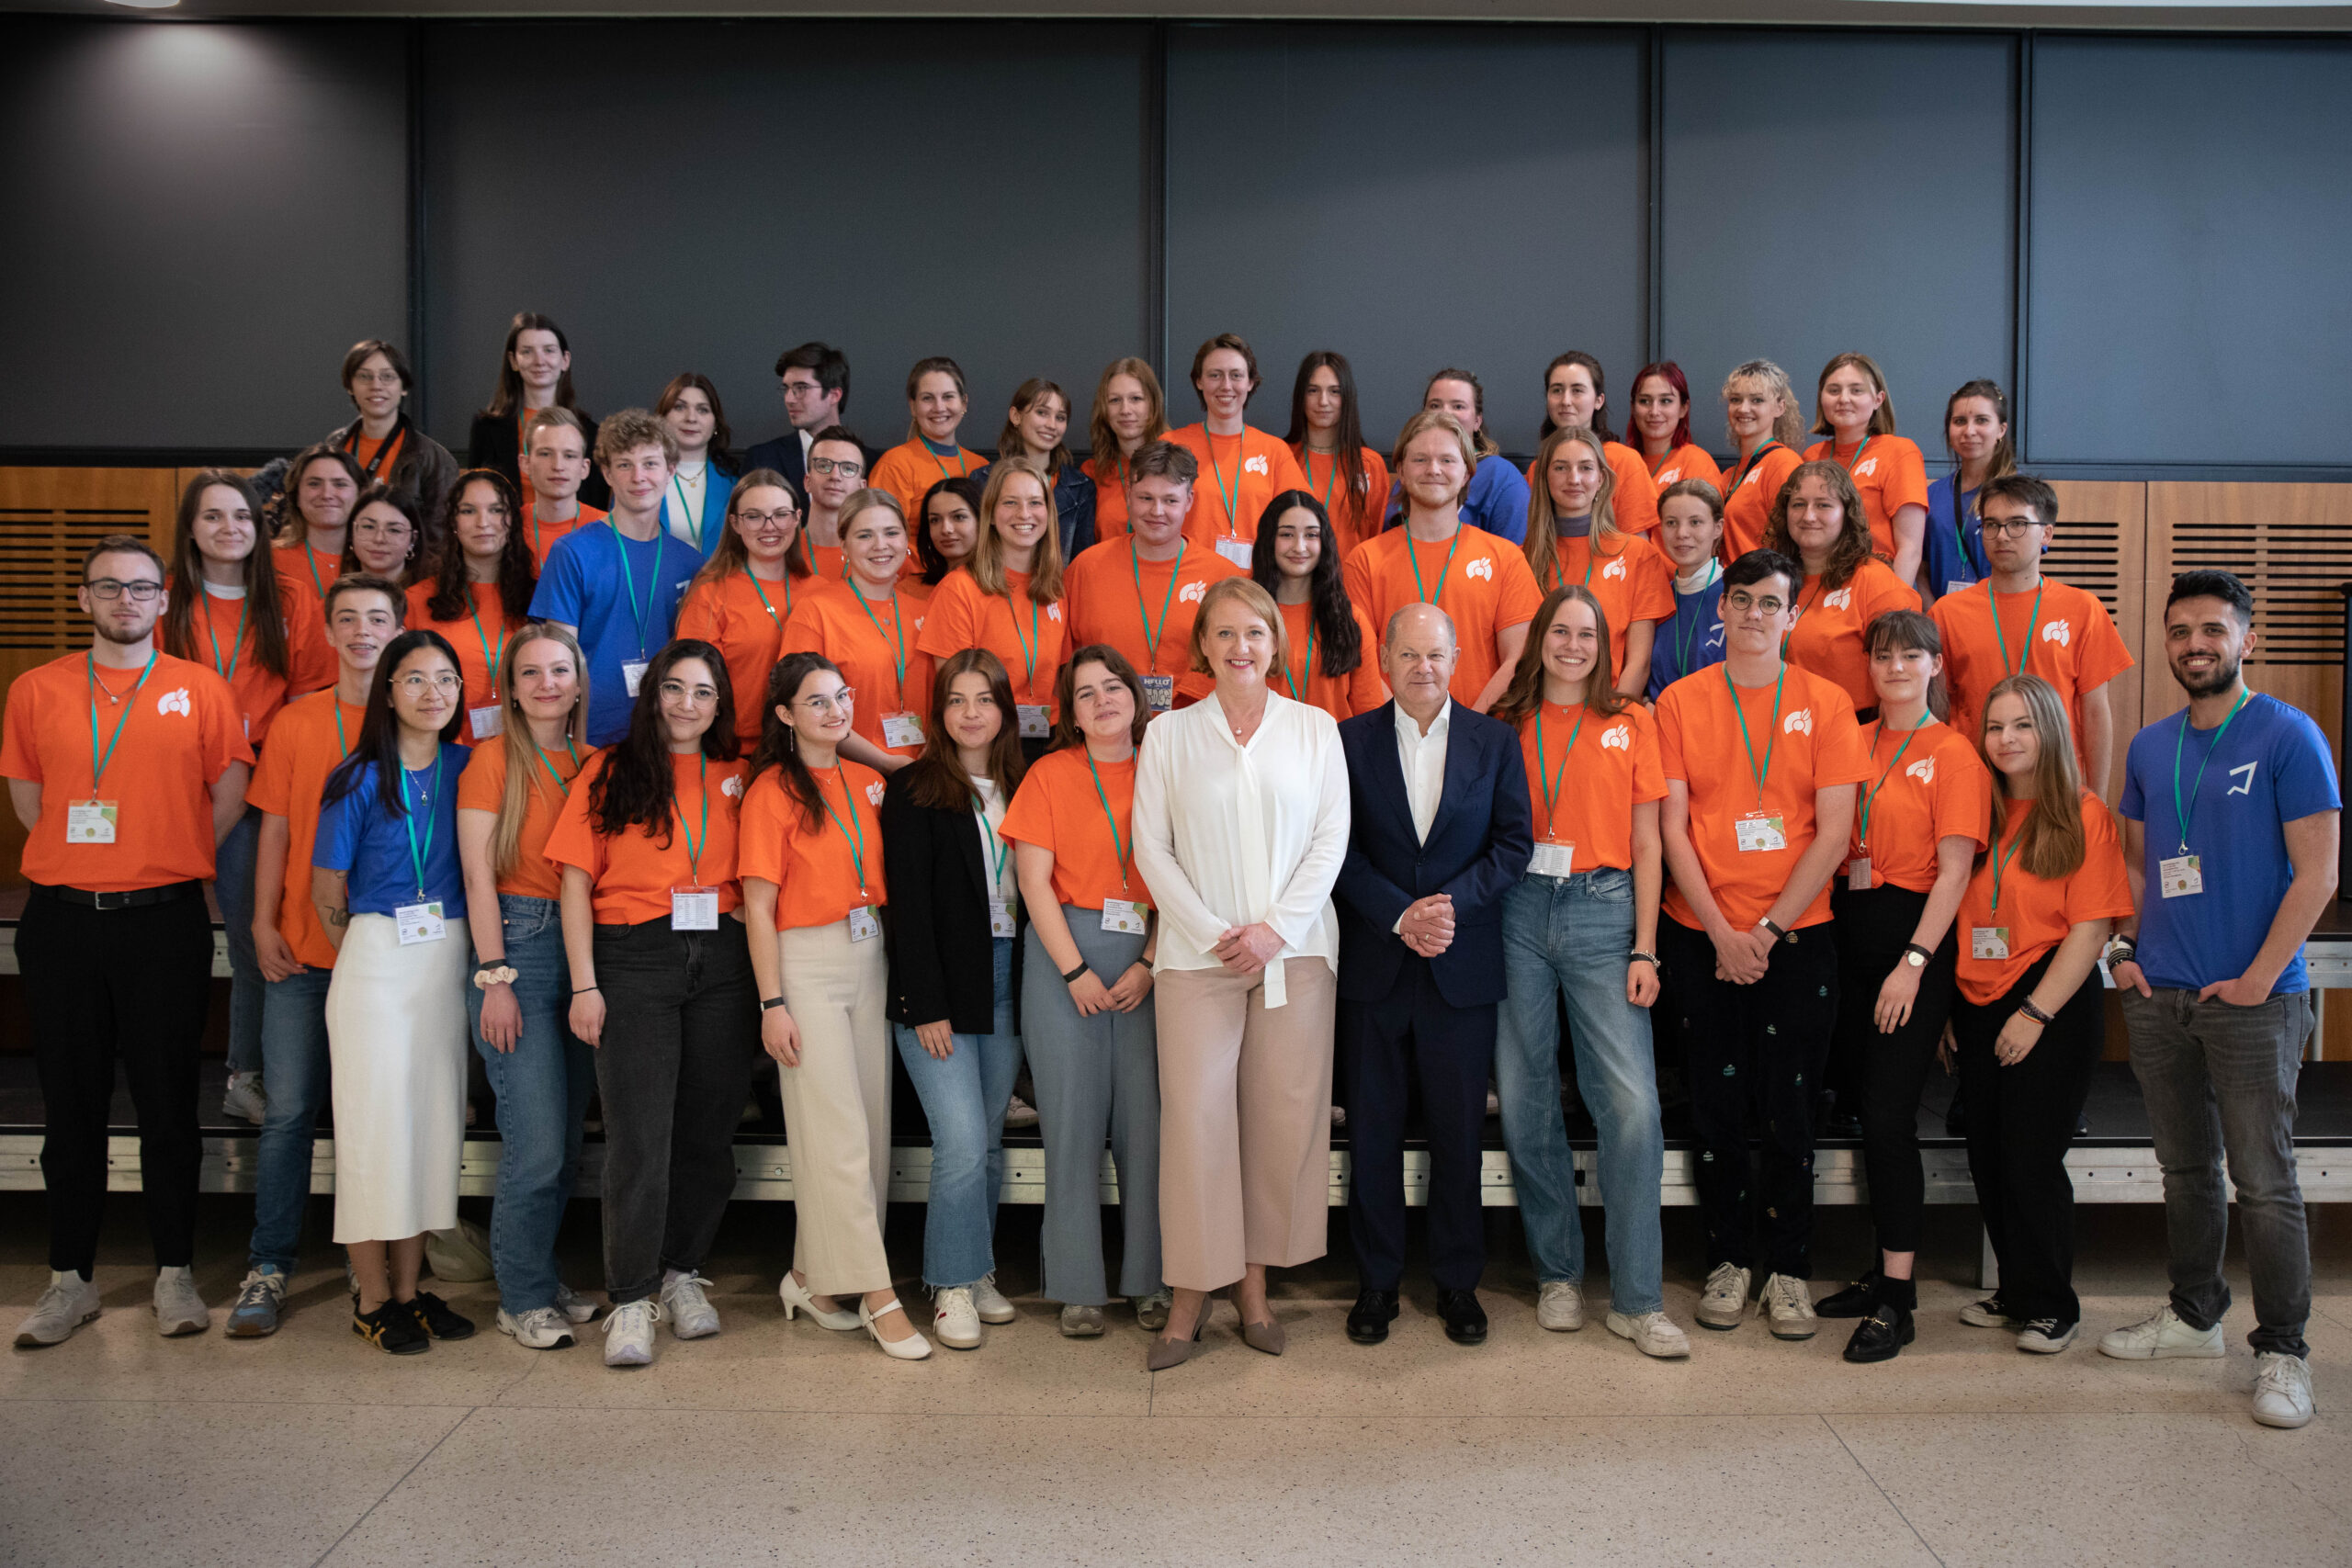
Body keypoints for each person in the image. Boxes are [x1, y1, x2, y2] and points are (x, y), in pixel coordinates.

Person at [2103, 570, 2339, 1429]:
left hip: (2254, 998)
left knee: (2265, 1180)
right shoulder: (2148, 744)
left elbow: (2318, 874)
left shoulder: (2288, 735)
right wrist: (2127, 953)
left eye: (2212, 629)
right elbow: (2135, 863)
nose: (2195, 644)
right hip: (2162, 993)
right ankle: (2196, 1315)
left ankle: (2282, 1350)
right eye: (2179, 631)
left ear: (2247, 638)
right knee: (2186, 1171)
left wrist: (2256, 977)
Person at [6, 536, 251, 1349]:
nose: (125, 601)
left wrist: (164, 853)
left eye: (141, 589)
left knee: (166, 1103)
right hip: (65, 920)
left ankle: (174, 1270)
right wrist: (89, 863)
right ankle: (68, 1278)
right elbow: (29, 797)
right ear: (84, 599)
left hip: (164, 918)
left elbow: (228, 790)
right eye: (108, 588)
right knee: (69, 1106)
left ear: (162, 600)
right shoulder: (36, 689)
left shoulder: (199, 688)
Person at [1130, 579, 1349, 1369]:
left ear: (1274, 641)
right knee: (1195, 1123)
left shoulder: (1315, 729)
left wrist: (1275, 931)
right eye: (1223, 633)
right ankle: (1192, 1292)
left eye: (1254, 631)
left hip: (1295, 957)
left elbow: (1331, 840)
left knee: (1279, 1122)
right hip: (1198, 959)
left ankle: (1253, 1286)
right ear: (1203, 646)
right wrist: (1216, 932)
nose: (1240, 646)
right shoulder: (1169, 736)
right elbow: (1152, 849)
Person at [1654, 547, 1870, 1341]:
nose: (1752, 614)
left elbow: (1836, 828)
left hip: (1797, 939)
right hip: (1700, 937)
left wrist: (1768, 930)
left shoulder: (1828, 702)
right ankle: (1727, 1260)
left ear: (1792, 614)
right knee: (1714, 1108)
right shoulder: (1679, 701)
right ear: (1722, 609)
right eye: (1739, 600)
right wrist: (1720, 930)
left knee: (1790, 1113)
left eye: (1768, 603)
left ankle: (1788, 1270)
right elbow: (1671, 825)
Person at [546, 640, 762, 1368]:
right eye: (674, 689)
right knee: (640, 1137)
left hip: (722, 965)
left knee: (706, 1134)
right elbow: (574, 881)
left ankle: (679, 1273)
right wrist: (584, 982)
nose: (687, 705)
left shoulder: (738, 774)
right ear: (653, 695)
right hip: (633, 957)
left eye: (704, 693)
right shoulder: (610, 770)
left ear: (720, 704)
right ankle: (631, 1295)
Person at [1489, 585, 1689, 1359]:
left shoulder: (1631, 720)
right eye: (1560, 631)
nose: (1573, 645)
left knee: (1631, 1103)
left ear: (1606, 645)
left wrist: (1646, 947)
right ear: (1539, 638)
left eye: (1587, 634)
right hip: (1515, 908)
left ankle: (1638, 1299)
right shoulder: (1506, 721)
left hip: (1606, 908)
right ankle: (1558, 1274)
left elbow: (1649, 844)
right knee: (1527, 1092)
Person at [1331, 604, 1531, 1348]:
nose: (1424, 668)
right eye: (1409, 654)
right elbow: (1335, 851)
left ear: (1457, 660)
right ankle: (1377, 1282)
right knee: (1373, 1135)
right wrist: (1398, 914)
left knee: (1457, 1135)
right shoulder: (1347, 742)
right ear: (1384, 660)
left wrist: (1443, 909)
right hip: (1376, 967)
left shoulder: (1494, 742)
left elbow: (1514, 845)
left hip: (1460, 965)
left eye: (1437, 655)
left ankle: (1457, 1282)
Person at [224, 573, 403, 1337]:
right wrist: (261, 921)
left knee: (391, 1113)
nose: (362, 630)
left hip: (393, 959)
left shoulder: (422, 719)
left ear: (399, 629)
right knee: (292, 1111)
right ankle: (269, 1263)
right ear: (328, 634)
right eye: (348, 619)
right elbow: (273, 831)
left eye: (378, 618)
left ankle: (402, 1268)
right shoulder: (298, 721)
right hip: (302, 953)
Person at [738, 653, 933, 1360]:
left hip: (867, 953)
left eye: (841, 698)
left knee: (869, 1132)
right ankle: (878, 1295)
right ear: (785, 714)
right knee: (837, 1133)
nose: (834, 712)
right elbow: (757, 907)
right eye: (815, 702)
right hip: (805, 963)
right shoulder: (769, 791)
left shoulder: (866, 781)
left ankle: (812, 1280)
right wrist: (773, 1001)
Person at [1808, 611, 1990, 1363]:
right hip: (1846, 937)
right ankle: (1879, 1267)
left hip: (1908, 947)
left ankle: (1899, 1298)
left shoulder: (1954, 753)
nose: (1895, 667)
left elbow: (1955, 870)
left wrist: (1915, 963)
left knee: (1888, 1119)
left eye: (1911, 655)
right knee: (1860, 1114)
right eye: (1883, 655)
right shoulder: (1854, 737)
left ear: (1935, 665)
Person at [1949, 673, 2133, 1356]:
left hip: (2047, 998)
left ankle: (2054, 1303)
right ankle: (2016, 1289)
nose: (2006, 739)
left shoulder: (2082, 814)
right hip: (1976, 997)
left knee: (2030, 1159)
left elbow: (2090, 930)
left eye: (2022, 724)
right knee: (1989, 1158)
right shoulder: (1980, 811)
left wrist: (2033, 1012)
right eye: (1995, 727)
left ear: (2050, 730)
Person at [311, 627, 476, 1355]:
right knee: (377, 1130)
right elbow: (326, 893)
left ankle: (411, 1291)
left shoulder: (471, 768)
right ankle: (372, 1296)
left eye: (445, 678)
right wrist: (372, 956)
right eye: (414, 678)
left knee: (433, 1127)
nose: (432, 692)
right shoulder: (355, 777)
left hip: (448, 958)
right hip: (377, 957)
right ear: (387, 691)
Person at [1001, 646, 1168, 1336]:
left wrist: (1150, 963)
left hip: (1148, 958)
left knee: (1147, 1127)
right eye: (1085, 693)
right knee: (1070, 1125)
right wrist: (1074, 970)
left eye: (1112, 686)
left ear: (1135, 694)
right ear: (1070, 713)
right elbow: (1032, 882)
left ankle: (1151, 1280)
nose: (1102, 700)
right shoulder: (1048, 774)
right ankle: (1076, 1284)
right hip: (1063, 954)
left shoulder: (1167, 770)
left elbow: (1189, 873)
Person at [160, 471, 330, 1125]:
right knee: (209, 932)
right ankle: (226, 1071)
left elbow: (309, 694)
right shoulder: (167, 599)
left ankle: (248, 1072)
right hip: (181, 777)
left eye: (241, 515)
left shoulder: (287, 595)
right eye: (212, 516)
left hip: (263, 783)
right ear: (191, 529)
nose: (229, 527)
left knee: (260, 927)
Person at [456, 622, 601, 1349]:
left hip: (583, 950)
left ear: (579, 680)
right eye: (531, 673)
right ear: (510, 688)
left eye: (559, 670)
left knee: (566, 1137)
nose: (547, 684)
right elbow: (479, 877)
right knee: (535, 1142)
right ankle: (520, 1296)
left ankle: (537, 1274)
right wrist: (494, 979)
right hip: (516, 943)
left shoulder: (594, 761)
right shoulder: (491, 760)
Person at [879, 649, 1029, 1348]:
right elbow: (905, 908)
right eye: (957, 700)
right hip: (938, 985)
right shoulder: (914, 788)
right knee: (962, 1140)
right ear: (937, 713)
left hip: (1008, 978)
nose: (972, 712)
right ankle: (948, 1285)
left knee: (990, 1139)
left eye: (985, 699)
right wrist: (922, 1002)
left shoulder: (1023, 782)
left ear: (1005, 709)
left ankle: (977, 1267)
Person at [1929, 474, 2132, 795]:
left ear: (2046, 533)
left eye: (2017, 524)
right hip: (1976, 785)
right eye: (1992, 525)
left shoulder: (2083, 608)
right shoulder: (1947, 613)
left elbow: (2095, 712)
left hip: (2057, 785)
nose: (2002, 536)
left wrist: (2098, 798)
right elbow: (1938, 713)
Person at [1342, 410, 1542, 712]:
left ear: (1466, 474)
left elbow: (1519, 658)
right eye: (1420, 459)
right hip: (1389, 739)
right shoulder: (1364, 560)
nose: (1433, 469)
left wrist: (1470, 727)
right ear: (1402, 470)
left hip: (1480, 736)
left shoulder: (1506, 558)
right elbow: (1362, 663)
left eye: (1447, 460)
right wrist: (1399, 729)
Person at [530, 409, 701, 746]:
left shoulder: (691, 563)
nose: (639, 477)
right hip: (589, 734)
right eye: (625, 465)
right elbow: (556, 658)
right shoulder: (572, 552)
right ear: (607, 473)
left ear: (671, 471)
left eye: (650, 464)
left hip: (665, 735)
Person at [1064, 440, 1241, 716]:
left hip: (1198, 728)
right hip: (1107, 729)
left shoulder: (1225, 578)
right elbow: (1066, 662)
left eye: (1170, 500)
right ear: (1128, 495)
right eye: (1146, 498)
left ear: (1189, 501)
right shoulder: (1085, 569)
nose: (1156, 511)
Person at [918, 458, 1069, 751]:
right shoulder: (959, 589)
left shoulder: (1055, 589)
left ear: (1048, 513)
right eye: (1010, 502)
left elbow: (1059, 681)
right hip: (986, 744)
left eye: (1035, 502)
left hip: (1049, 738)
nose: (1024, 513)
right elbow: (955, 695)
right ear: (989, 513)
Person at [785, 489, 932, 774]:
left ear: (906, 540)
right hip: (844, 772)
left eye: (891, 533)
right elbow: (805, 709)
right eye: (865, 535)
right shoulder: (815, 612)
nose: (881, 545)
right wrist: (885, 762)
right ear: (843, 545)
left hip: (924, 772)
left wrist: (933, 754)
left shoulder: (925, 611)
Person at [1522, 424, 1673, 694]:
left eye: (1586, 468)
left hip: (1609, 713)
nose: (1574, 478)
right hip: (1537, 717)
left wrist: (1612, 718)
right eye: (1560, 467)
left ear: (1602, 478)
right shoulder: (1521, 559)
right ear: (1544, 477)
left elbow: (1639, 663)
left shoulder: (1638, 555)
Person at [1768, 461, 1923, 715]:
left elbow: (1906, 677)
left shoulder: (1874, 581)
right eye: (1798, 504)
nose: (1808, 516)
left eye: (1823, 505)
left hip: (1856, 729)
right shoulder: (1775, 581)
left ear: (1846, 513)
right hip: (1785, 726)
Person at [677, 468, 815, 754]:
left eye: (781, 514)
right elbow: (693, 684)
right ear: (735, 524)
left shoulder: (821, 590)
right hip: (731, 751)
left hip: (808, 747)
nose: (769, 526)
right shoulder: (710, 592)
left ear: (798, 518)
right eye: (754, 516)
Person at [407, 470, 536, 744]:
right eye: (468, 511)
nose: (483, 522)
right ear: (453, 521)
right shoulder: (417, 600)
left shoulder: (540, 597)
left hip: (524, 751)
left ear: (512, 520)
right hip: (443, 752)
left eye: (496, 509)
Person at [1168, 333, 1308, 567]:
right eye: (1215, 375)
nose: (1226, 386)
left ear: (1250, 382)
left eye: (1236, 375)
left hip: (1257, 586)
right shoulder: (1172, 445)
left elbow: (1301, 520)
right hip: (1187, 581)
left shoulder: (1274, 451)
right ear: (1199, 381)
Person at [1252, 491, 1386, 722]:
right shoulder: (1244, 613)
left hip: (1333, 754)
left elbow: (1369, 716)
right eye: (1287, 534)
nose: (1299, 546)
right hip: (1259, 753)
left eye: (1311, 535)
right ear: (1268, 540)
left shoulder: (1351, 620)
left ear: (1324, 542)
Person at [1804, 353, 1930, 585]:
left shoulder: (1899, 452)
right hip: (1819, 585)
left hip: (1876, 586)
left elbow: (1910, 549)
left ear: (1878, 399)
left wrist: (1893, 607)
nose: (1843, 399)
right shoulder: (1811, 458)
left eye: (1856, 390)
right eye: (1833, 390)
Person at [467, 312, 604, 513]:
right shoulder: (486, 428)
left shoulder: (590, 431)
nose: (539, 361)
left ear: (565, 360)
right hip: (509, 539)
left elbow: (596, 503)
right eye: (527, 351)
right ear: (513, 360)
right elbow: (477, 496)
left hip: (574, 538)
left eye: (549, 350)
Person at [329, 339, 458, 533]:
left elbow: (439, 535)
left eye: (387, 377)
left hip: (406, 561)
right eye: (364, 376)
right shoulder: (334, 447)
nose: (376, 385)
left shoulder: (434, 458)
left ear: (404, 387)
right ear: (350, 386)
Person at [1535, 352, 1659, 538]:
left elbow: (1638, 550)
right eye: (1557, 390)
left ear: (1598, 401)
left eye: (1577, 390)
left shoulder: (1624, 461)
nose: (1565, 401)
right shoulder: (1537, 467)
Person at [1283, 353, 1389, 563]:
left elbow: (1377, 538)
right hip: (1291, 586)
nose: (1323, 401)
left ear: (1347, 398)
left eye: (1334, 391)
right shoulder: (1281, 456)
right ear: (1300, 397)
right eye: (1313, 391)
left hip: (1349, 586)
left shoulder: (1370, 464)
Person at [1922, 379, 2015, 601]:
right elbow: (1920, 566)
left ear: (2001, 429)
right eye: (1960, 421)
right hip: (1938, 622)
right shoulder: (1932, 494)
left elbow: (2023, 571)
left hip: (1995, 619)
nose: (1969, 431)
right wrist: (1930, 613)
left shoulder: (2019, 495)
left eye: (1981, 420)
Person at [984, 378, 1095, 561]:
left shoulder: (1081, 488)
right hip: (996, 586)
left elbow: (1082, 561)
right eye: (1042, 413)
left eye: (1060, 417)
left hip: (1057, 588)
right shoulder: (984, 480)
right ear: (1016, 416)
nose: (1052, 425)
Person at [1418, 368, 1533, 544]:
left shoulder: (1501, 477)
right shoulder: (1412, 470)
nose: (1444, 414)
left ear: (1477, 421)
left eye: (1458, 406)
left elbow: (1513, 559)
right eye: (1435, 405)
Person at [870, 356, 983, 522]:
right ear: (913, 406)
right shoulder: (895, 465)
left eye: (948, 397)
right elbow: (883, 537)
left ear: (964, 403)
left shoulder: (981, 467)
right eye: (927, 398)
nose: (939, 407)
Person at [1647, 479, 1728, 699]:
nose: (1682, 533)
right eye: (1671, 523)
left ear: (1717, 528)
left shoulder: (1736, 598)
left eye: (1695, 522)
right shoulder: (1657, 598)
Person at [1718, 360, 1806, 559]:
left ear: (1779, 407)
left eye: (1757, 400)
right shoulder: (1728, 477)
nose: (1743, 408)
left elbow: (1794, 546)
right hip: (1731, 587)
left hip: (1764, 587)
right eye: (1735, 400)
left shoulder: (1783, 463)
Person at [743, 342, 860, 491]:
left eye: (802, 388)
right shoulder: (762, 459)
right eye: (786, 389)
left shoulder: (871, 462)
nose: (789, 399)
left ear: (834, 395)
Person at [271, 444, 366, 622]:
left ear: (361, 494)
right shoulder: (269, 560)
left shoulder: (378, 560)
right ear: (296, 495)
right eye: (314, 484)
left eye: (340, 484)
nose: (327, 494)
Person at [1081, 356, 1169, 543]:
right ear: (1104, 408)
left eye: (1136, 399)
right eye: (1115, 400)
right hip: (1107, 570)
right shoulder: (1092, 473)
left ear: (1153, 404)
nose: (1125, 410)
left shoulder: (1176, 466)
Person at [654, 372, 739, 554]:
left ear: (715, 423)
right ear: (662, 418)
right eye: (679, 407)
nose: (691, 418)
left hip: (719, 580)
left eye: (702, 410)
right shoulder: (640, 476)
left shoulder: (735, 482)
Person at [517, 408, 607, 566]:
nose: (558, 466)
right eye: (545, 454)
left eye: (569, 456)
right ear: (525, 464)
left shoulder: (609, 529)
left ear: (584, 468)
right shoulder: (508, 526)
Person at [1628, 361, 1724, 495]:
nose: (1654, 411)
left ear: (1683, 408)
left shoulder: (1696, 462)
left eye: (1665, 401)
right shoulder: (1623, 461)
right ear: (1633, 408)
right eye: (1644, 401)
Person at [800, 424, 871, 581]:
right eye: (824, 465)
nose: (835, 476)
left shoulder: (878, 554)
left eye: (848, 468)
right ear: (807, 481)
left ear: (862, 488)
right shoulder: (782, 551)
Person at [338, 485, 422, 586]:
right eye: (369, 527)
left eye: (394, 530)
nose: (379, 539)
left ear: (412, 540)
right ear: (352, 532)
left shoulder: (429, 597)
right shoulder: (337, 595)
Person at [916, 475, 983, 588]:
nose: (946, 529)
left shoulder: (1006, 585)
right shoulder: (910, 589)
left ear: (983, 520)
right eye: (935, 520)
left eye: (959, 517)